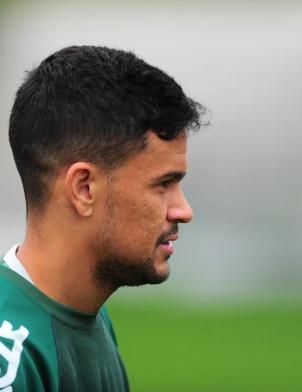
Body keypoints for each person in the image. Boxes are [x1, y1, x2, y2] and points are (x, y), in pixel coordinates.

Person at [0, 45, 204, 391]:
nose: (183, 211)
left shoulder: (91, 318)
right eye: (163, 184)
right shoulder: (11, 363)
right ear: (84, 189)